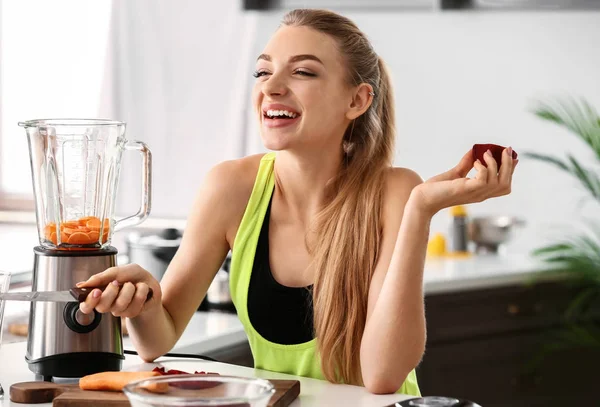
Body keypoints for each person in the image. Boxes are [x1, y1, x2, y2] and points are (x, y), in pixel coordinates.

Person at [78, 8, 517, 395]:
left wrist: (421, 210)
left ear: (357, 100)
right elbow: (158, 340)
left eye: (302, 72)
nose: (273, 87)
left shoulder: (395, 192)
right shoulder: (231, 186)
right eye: (263, 72)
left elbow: (382, 377)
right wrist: (143, 299)